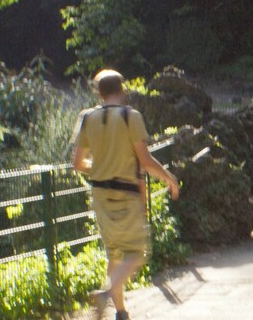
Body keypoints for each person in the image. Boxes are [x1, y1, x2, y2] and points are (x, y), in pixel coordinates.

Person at [71, 69, 180, 320]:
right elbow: (145, 161)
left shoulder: (87, 118)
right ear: (122, 90)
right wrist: (169, 179)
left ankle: (121, 312)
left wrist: (100, 168)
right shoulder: (132, 117)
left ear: (99, 93)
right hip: (126, 194)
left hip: (99, 194)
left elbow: (77, 163)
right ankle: (106, 294)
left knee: (114, 255)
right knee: (135, 254)